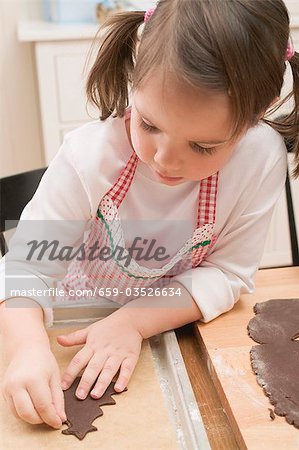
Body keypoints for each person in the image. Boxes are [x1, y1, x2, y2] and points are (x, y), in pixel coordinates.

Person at [0, 0, 298, 431]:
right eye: (150, 124)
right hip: (72, 325)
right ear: (137, 69)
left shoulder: (259, 159)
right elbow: (25, 268)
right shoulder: (90, 157)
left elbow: (228, 273)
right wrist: (27, 347)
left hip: (175, 333)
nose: (164, 159)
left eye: (202, 147)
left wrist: (133, 323)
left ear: (261, 109)